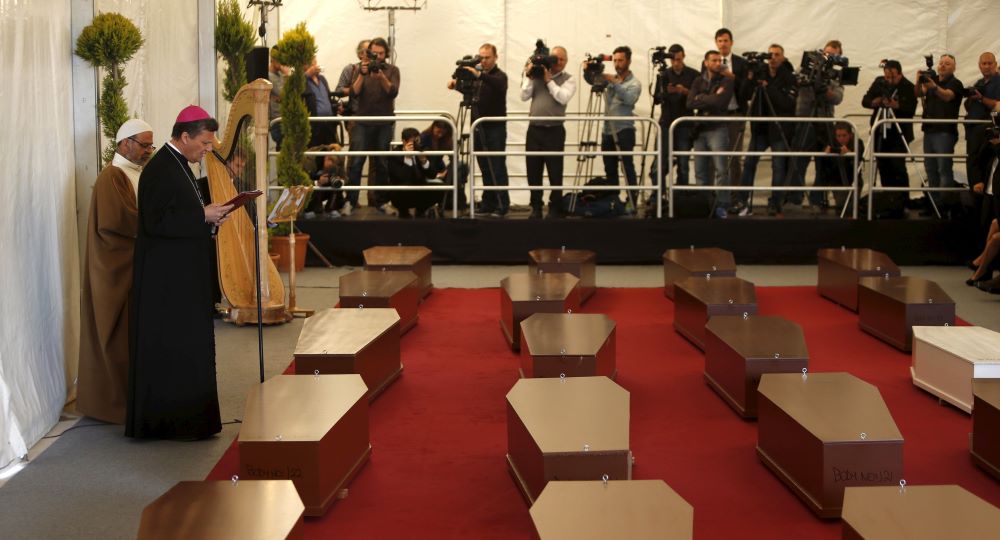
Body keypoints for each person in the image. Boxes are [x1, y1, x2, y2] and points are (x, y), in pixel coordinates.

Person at [126, 105, 232, 440]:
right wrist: (203, 217)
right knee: (174, 351)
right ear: (184, 136)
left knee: (186, 350)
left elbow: (182, 214)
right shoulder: (160, 170)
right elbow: (156, 223)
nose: (208, 148)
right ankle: (173, 423)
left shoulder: (180, 165)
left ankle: (190, 419)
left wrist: (208, 216)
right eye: (203, 142)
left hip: (181, 276)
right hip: (167, 283)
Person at [77, 119, 154, 425]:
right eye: (144, 145)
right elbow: (114, 222)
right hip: (113, 269)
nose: (148, 151)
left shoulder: (133, 173)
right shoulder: (113, 176)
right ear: (125, 144)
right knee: (114, 338)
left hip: (127, 264)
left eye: (151, 145)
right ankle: (111, 404)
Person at [733, 44, 797, 217]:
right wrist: (750, 76)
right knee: (749, 163)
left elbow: (788, 104)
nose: (773, 58)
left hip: (779, 128)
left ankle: (775, 203)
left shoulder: (789, 77)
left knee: (778, 166)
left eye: (777, 55)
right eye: (771, 54)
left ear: (783, 57)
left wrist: (768, 88)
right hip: (760, 128)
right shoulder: (760, 72)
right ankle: (742, 200)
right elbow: (744, 94)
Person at [449, 43, 509, 217]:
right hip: (477, 127)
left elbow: (498, 86)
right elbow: (471, 93)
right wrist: (456, 85)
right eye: (481, 57)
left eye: (487, 57)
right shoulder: (476, 77)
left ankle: (502, 204)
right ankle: (488, 202)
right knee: (484, 167)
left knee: (497, 166)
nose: (483, 60)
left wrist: (479, 74)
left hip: (495, 128)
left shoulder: (500, 76)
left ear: (495, 57)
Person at [788, 40, 846, 210]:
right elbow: (795, 83)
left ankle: (818, 198)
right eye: (827, 53)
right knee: (798, 160)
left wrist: (824, 89)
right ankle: (794, 198)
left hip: (825, 119)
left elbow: (837, 97)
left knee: (825, 163)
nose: (829, 57)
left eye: (834, 55)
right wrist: (810, 78)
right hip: (804, 118)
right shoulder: (807, 67)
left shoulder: (836, 75)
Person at [521, 45, 577, 219]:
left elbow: (563, 97)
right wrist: (529, 76)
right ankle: (536, 206)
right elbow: (523, 96)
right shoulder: (536, 75)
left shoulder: (569, 79)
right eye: (555, 58)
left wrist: (549, 80)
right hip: (535, 130)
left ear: (566, 61)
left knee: (555, 171)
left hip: (555, 130)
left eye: (562, 59)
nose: (558, 62)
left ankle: (555, 207)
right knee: (533, 170)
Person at [347, 37, 401, 214]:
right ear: (368, 52)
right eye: (374, 53)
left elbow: (392, 92)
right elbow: (354, 92)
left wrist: (381, 76)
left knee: (382, 164)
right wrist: (363, 74)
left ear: (386, 54)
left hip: (384, 123)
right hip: (362, 122)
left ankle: (382, 201)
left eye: (381, 54)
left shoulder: (392, 70)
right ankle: (351, 201)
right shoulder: (358, 68)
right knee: (356, 162)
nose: (377, 57)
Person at [862, 60, 916, 218]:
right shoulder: (879, 83)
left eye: (891, 77)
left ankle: (902, 200)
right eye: (886, 77)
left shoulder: (908, 86)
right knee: (883, 166)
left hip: (898, 133)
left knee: (898, 166)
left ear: (900, 73)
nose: (888, 81)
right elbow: (865, 100)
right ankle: (889, 199)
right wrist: (875, 102)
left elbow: (911, 109)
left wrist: (896, 106)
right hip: (880, 131)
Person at [687, 50, 735, 219]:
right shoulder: (698, 80)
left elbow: (721, 102)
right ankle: (704, 203)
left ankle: (722, 204)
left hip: (718, 128)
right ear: (706, 62)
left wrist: (702, 98)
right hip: (700, 129)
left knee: (721, 169)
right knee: (700, 170)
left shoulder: (727, 80)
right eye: (713, 60)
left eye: (719, 60)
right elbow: (690, 102)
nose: (717, 63)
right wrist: (712, 97)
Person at [916, 54, 963, 216]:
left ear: (954, 67)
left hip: (945, 131)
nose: (943, 66)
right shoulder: (932, 79)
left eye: (947, 64)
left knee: (944, 168)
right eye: (941, 63)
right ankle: (933, 204)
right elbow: (918, 94)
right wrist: (919, 80)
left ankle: (945, 206)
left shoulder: (956, 83)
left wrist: (933, 87)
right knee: (930, 169)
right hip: (929, 130)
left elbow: (948, 96)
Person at [596, 45, 641, 212]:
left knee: (627, 167)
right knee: (610, 168)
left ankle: (632, 200)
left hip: (624, 130)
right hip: (607, 130)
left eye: (621, 60)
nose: (617, 63)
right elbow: (593, 82)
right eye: (615, 60)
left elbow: (630, 99)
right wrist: (589, 70)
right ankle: (612, 201)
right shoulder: (610, 79)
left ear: (628, 61)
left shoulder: (634, 83)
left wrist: (614, 83)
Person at [652, 44, 699, 192]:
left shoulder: (693, 74)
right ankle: (658, 195)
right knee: (661, 161)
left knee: (683, 163)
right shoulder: (663, 74)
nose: (676, 63)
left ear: (683, 56)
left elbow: (698, 99)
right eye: (673, 60)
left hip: (685, 123)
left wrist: (685, 92)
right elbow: (656, 99)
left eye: (678, 59)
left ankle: (681, 197)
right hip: (666, 122)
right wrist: (665, 91)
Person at [965, 52, 1000, 220]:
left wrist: (981, 98)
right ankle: (976, 207)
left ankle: (987, 209)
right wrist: (971, 99)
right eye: (983, 63)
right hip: (973, 130)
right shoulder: (978, 83)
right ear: (979, 65)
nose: (986, 66)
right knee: (973, 162)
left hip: (989, 131)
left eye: (989, 63)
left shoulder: (999, 82)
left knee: (988, 165)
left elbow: (997, 106)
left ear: (995, 64)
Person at [715, 28, 749, 189]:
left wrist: (732, 77)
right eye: (720, 41)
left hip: (735, 113)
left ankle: (736, 195)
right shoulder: (709, 61)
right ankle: (718, 195)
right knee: (717, 156)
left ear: (732, 42)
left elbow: (747, 89)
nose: (723, 44)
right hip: (717, 115)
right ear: (716, 43)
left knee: (735, 157)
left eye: (726, 40)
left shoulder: (741, 62)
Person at [388, 127, 440, 218]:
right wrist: (407, 158)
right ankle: (403, 211)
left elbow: (433, 175)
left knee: (440, 189)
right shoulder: (395, 154)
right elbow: (399, 177)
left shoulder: (422, 149)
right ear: (404, 142)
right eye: (413, 142)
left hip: (419, 189)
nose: (416, 145)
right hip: (402, 192)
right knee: (398, 191)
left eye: (418, 141)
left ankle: (421, 210)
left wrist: (424, 162)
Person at [815, 123, 864, 210]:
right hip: (837, 180)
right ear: (835, 136)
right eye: (839, 136)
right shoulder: (830, 143)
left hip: (854, 179)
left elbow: (859, 153)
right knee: (842, 206)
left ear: (850, 135)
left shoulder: (857, 142)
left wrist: (849, 152)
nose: (841, 139)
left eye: (844, 135)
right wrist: (828, 151)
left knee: (853, 207)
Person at [304, 57, 337, 147]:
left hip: (329, 124)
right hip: (314, 126)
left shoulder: (322, 79)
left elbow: (328, 97)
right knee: (316, 154)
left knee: (330, 153)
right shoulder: (301, 80)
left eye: (314, 62)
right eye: (310, 64)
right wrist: (306, 75)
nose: (314, 65)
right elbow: (295, 90)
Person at [336, 39, 371, 115]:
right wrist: (354, 90)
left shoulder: (381, 69)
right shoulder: (351, 69)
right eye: (368, 51)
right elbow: (338, 91)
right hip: (356, 117)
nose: (372, 54)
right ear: (360, 54)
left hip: (378, 117)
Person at [268, 46, 290, 149]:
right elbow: (284, 94)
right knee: (283, 148)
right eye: (279, 59)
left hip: (285, 119)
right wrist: (287, 75)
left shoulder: (280, 74)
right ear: (272, 59)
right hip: (277, 121)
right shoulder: (268, 76)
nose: (282, 62)